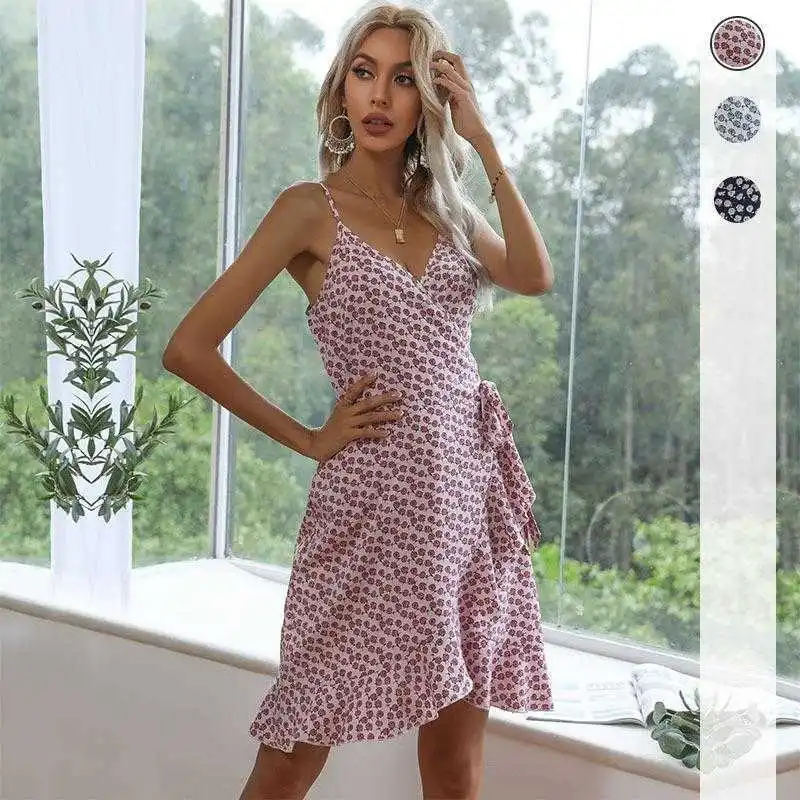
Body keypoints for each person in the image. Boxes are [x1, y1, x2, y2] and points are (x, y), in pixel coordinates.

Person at [162, 3, 554, 798]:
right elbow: (188, 348)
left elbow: (533, 274)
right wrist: (309, 438)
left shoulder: (446, 210)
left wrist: (483, 142)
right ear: (341, 88)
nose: (379, 95)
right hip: (369, 511)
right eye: (364, 72)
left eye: (403, 79)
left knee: (455, 762)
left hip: (464, 505)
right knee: (293, 751)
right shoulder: (308, 209)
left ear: (427, 100)